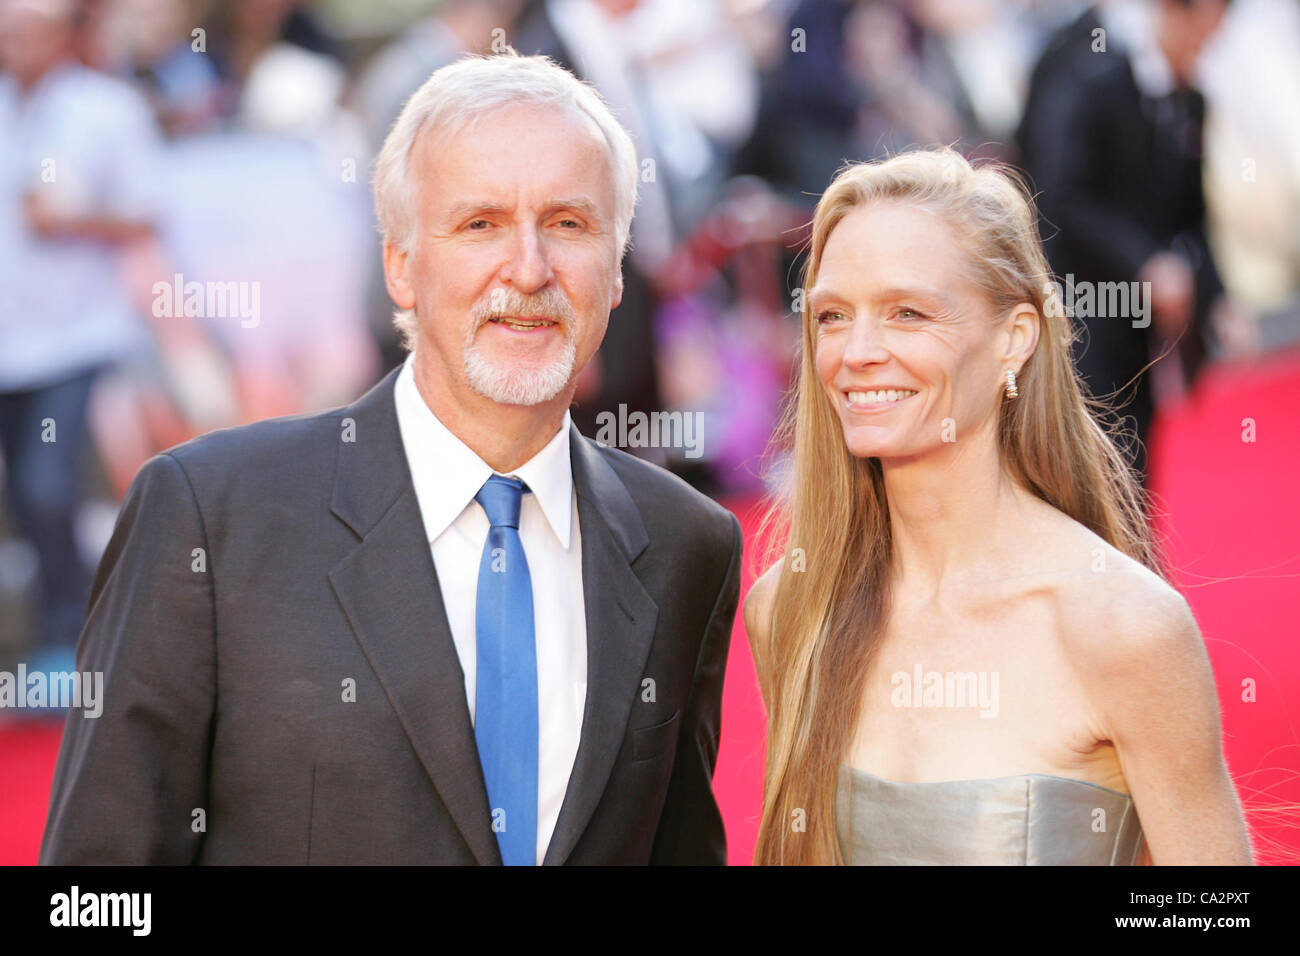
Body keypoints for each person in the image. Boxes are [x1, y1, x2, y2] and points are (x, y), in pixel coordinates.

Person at [41, 49, 741, 865]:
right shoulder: (211, 517)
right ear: (401, 268)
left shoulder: (686, 543)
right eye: (480, 224)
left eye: (569, 223)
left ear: (616, 270)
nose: (529, 268)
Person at [743, 148, 1253, 865]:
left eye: (907, 312)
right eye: (831, 316)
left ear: (1014, 339)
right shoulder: (792, 607)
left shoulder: (1121, 625)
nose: (856, 352)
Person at [0, 0, 161, 681]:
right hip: (9, 340)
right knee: (23, 499)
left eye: (27, 31)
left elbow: (148, 213)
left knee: (46, 487)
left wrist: (73, 219)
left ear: (63, 34)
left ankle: (68, 636)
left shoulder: (108, 109)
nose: (15, 45)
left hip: (73, 338)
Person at [1016, 0, 1236, 485]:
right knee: (1088, 465)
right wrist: (1144, 263)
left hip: (1144, 325)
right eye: (1200, 34)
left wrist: (1219, 297)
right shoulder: (1093, 79)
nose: (1204, 49)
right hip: (1082, 306)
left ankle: (1133, 560)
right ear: (1171, 15)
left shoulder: (1192, 102)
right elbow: (1060, 196)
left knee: (1137, 461)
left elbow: (1191, 218)